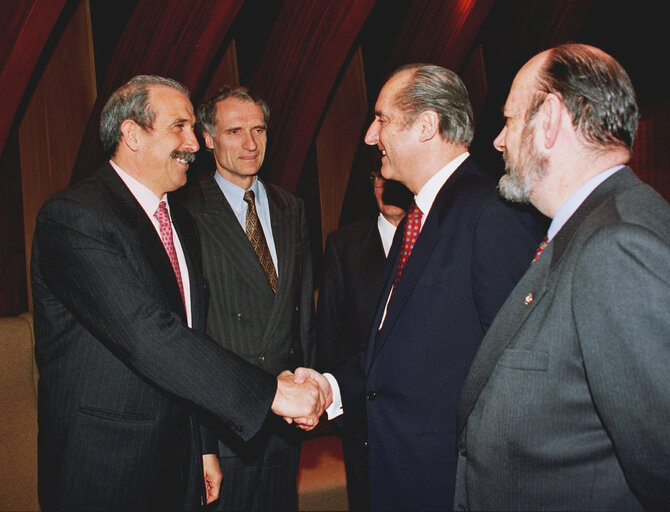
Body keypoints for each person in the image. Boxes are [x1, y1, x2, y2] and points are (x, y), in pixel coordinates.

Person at [454, 43, 670, 510]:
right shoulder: (593, 228)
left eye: (508, 120)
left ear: (549, 119)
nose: (499, 141)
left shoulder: (618, 247)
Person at [31, 75, 326, 512]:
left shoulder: (177, 221)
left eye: (192, 128)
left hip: (180, 459)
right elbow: (147, 333)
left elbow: (193, 335)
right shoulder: (74, 217)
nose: (193, 143)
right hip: (107, 466)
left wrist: (203, 446)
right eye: (179, 127)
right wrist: (271, 393)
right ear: (131, 134)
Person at [297, 63, 543, 510]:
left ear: (426, 126)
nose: (371, 136)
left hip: (450, 483)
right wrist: (329, 388)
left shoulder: (490, 213)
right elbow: (393, 351)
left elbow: (518, 373)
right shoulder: (419, 218)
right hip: (397, 471)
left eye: (382, 120)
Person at [186, 85, 315, 511]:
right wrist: (202, 442)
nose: (250, 143)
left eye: (258, 130)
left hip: (284, 421)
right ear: (207, 139)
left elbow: (302, 317)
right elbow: (188, 334)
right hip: (224, 425)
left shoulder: (290, 208)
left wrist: (308, 387)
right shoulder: (186, 212)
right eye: (235, 131)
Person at [315, 170, 411, 511]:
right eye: (377, 177)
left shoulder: (435, 239)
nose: (385, 185)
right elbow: (328, 329)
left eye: (391, 175)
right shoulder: (344, 243)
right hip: (362, 413)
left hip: (419, 416)